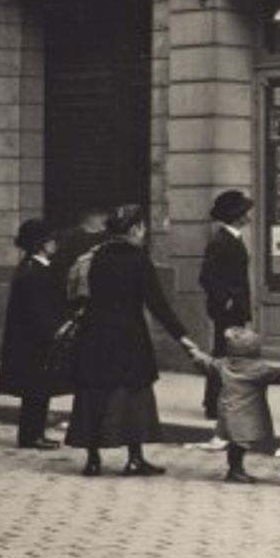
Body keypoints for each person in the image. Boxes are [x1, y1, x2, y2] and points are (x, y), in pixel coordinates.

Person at [67, 204, 208, 477]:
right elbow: (158, 304)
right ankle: (134, 459)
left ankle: (93, 460)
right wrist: (183, 338)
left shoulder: (94, 256)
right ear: (134, 229)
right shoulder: (137, 260)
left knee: (93, 395)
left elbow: (76, 297)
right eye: (143, 228)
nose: (144, 234)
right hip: (128, 336)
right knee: (133, 396)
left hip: (94, 335)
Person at [0, 217, 68, 449]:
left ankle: (35, 434)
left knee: (39, 390)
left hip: (35, 340)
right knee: (35, 390)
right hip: (32, 342)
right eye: (51, 240)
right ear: (41, 244)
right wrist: (54, 331)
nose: (55, 244)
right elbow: (36, 310)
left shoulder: (37, 268)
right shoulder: (32, 272)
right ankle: (30, 436)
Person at [210, 325, 280, 483]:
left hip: (229, 408)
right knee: (241, 443)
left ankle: (235, 469)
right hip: (246, 412)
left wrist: (194, 353)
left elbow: (207, 363)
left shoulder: (222, 364)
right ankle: (235, 471)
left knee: (237, 443)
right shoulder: (258, 368)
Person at [198, 190, 254, 427]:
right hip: (227, 311)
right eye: (244, 212)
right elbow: (207, 276)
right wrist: (225, 300)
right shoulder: (221, 241)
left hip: (235, 307)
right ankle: (213, 403)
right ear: (236, 216)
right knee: (223, 353)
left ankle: (219, 401)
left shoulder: (232, 238)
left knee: (228, 354)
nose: (248, 216)